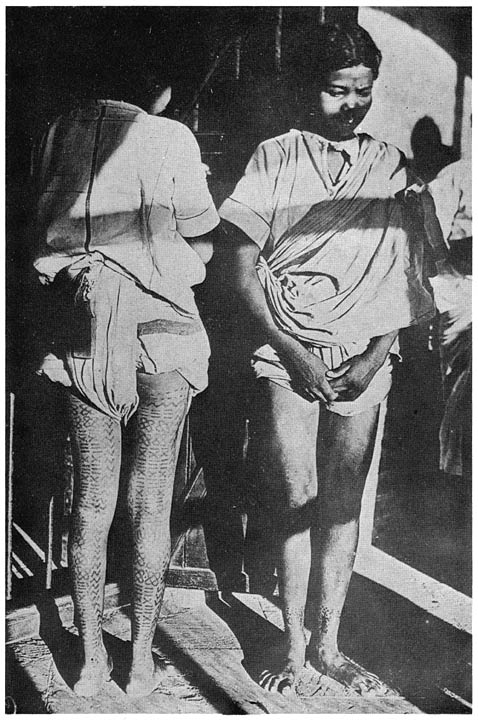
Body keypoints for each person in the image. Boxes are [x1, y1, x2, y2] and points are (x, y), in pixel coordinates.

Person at [217, 22, 436, 695]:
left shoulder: (392, 165)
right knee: (293, 498)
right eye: (337, 90)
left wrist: (376, 355)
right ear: (305, 88)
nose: (352, 104)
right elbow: (240, 267)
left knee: (343, 504)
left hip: (365, 356)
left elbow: (407, 272)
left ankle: (330, 645)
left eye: (363, 92)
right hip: (287, 352)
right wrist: (289, 350)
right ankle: (288, 648)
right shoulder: (275, 157)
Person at [31, 65, 219, 697]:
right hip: (163, 329)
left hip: (86, 329)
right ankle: (140, 660)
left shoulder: (60, 131)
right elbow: (203, 231)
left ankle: (89, 662)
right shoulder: (170, 135)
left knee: (90, 503)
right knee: (151, 501)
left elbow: (43, 218)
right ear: (161, 87)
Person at [422, 159, 472, 478]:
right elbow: (429, 229)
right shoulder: (457, 173)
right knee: (463, 393)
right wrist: (448, 272)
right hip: (464, 290)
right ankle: (462, 480)